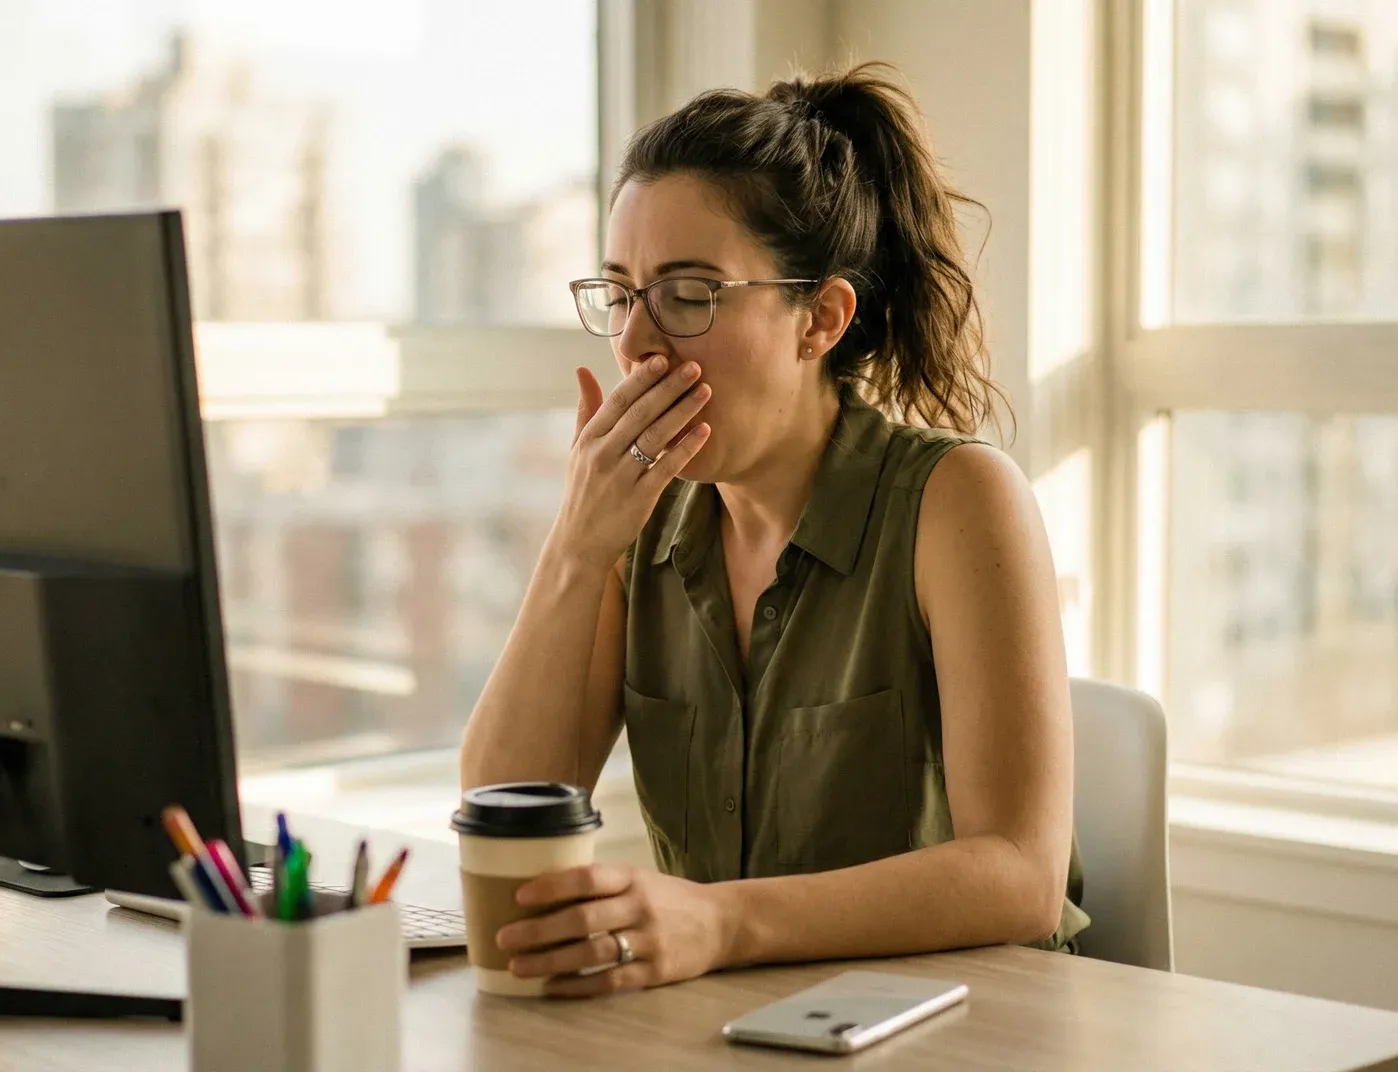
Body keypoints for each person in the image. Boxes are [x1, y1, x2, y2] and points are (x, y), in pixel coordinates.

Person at [459, 62, 1087, 997]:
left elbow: (1018, 877)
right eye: (622, 292)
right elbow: (498, 811)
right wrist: (576, 547)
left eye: (689, 293)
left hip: (973, 1029)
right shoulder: (642, 525)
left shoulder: (958, 500)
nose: (635, 343)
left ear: (819, 320)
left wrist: (718, 920)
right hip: (745, 1026)